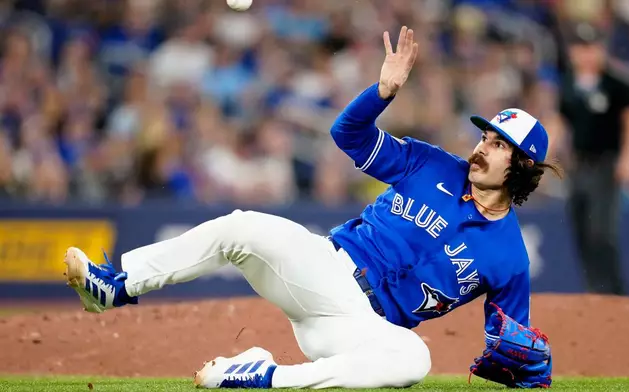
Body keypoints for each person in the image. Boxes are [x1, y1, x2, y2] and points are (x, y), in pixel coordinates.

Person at [64, 27, 555, 389]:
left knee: (413, 359)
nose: (481, 147)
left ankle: (264, 376)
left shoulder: (510, 256)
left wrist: (527, 369)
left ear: (523, 164)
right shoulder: (430, 165)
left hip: (357, 328)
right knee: (245, 227)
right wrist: (382, 92)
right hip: (325, 268)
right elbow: (348, 135)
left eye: (498, 144)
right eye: (484, 136)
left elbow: (509, 343)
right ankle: (116, 286)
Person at [555, 22, 629, 295]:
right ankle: (594, 289)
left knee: (601, 231)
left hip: (607, 164)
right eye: (581, 48)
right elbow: (561, 122)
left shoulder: (616, 83)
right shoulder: (569, 83)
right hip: (579, 165)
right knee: (580, 226)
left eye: (592, 47)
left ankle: (612, 291)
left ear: (601, 50)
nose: (586, 54)